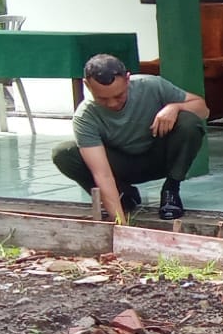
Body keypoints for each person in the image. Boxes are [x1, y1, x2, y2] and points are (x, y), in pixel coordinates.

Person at [51, 54, 208, 223]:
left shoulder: (152, 85)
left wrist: (175, 107)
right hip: (121, 166)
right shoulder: (85, 116)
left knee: (188, 121)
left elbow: (203, 110)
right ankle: (123, 195)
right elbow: (102, 174)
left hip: (160, 158)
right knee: (64, 153)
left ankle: (171, 189)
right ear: (87, 85)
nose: (112, 104)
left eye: (119, 96)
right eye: (102, 98)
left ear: (127, 79)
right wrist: (120, 223)